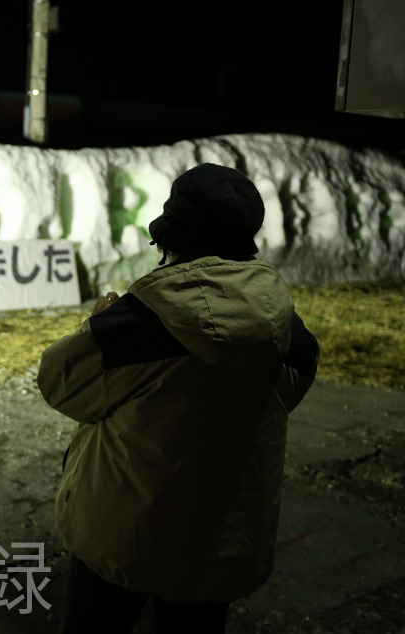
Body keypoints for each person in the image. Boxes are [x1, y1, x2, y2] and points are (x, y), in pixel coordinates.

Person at [37, 163, 320, 633]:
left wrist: (94, 325)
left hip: (124, 532)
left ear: (173, 239)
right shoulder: (279, 322)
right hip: (221, 538)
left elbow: (61, 385)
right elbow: (290, 387)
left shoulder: (140, 320)